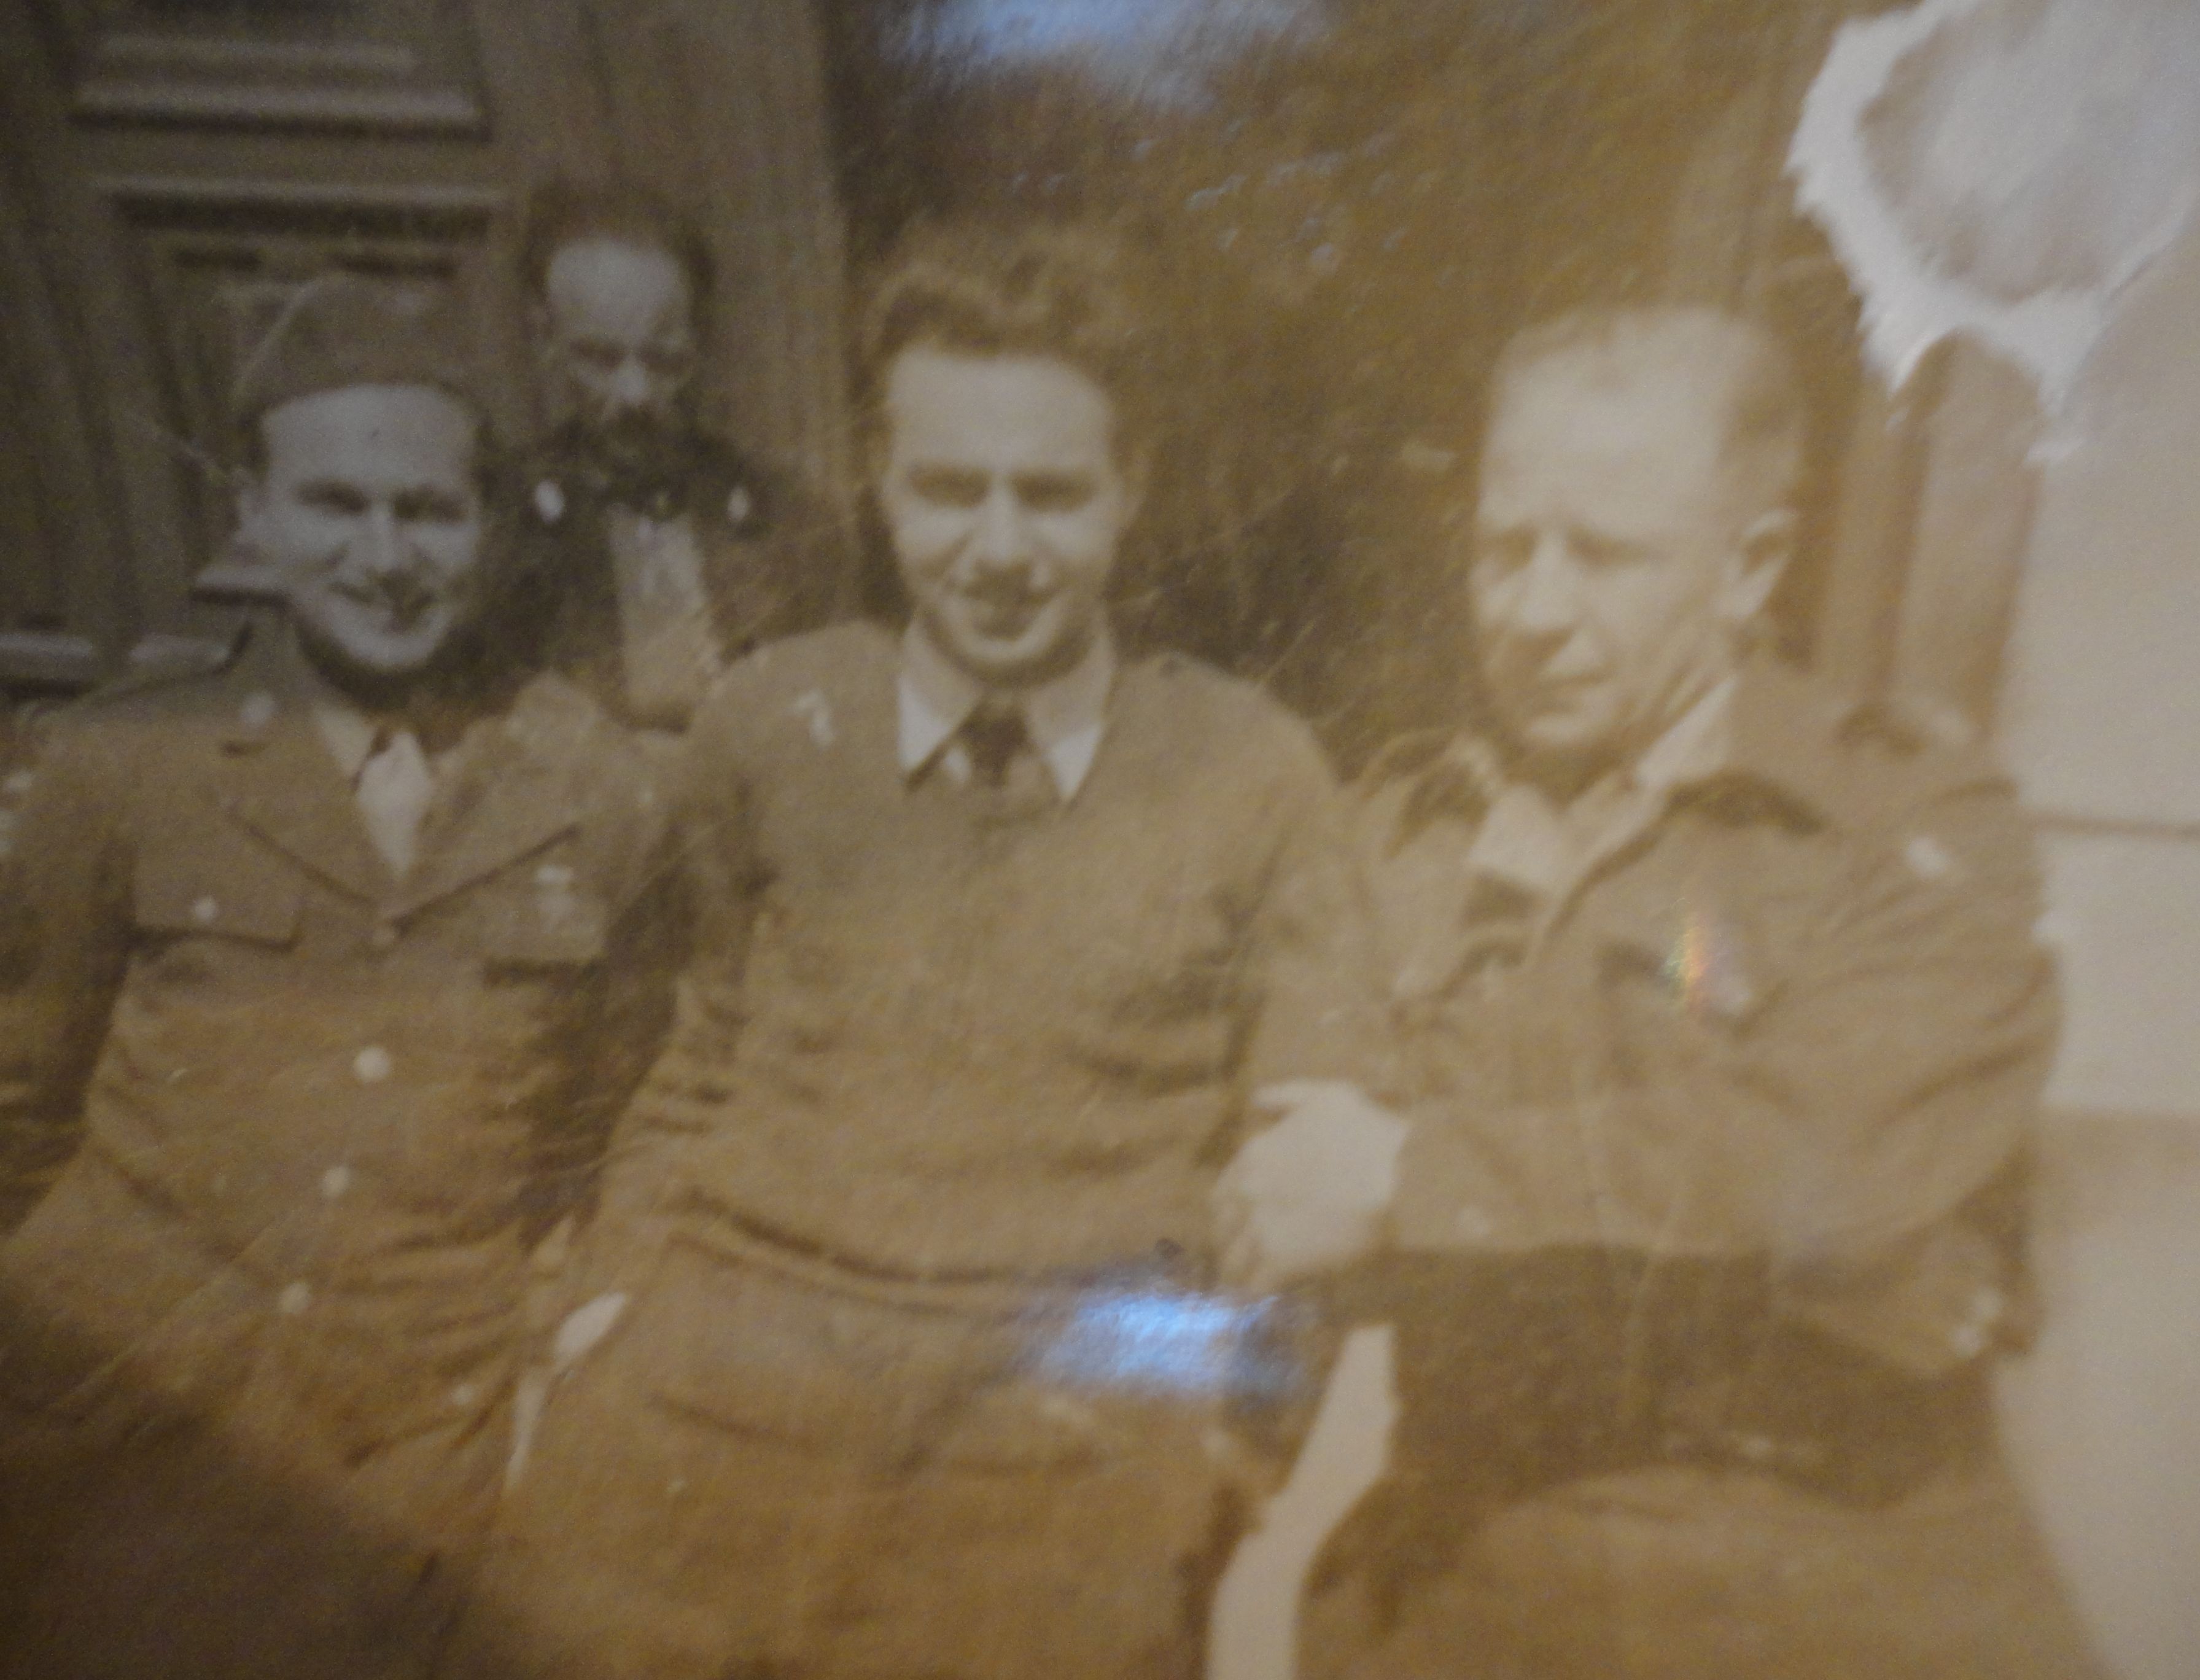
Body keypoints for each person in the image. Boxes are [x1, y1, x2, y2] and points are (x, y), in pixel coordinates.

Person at [446, 220, 1396, 1680]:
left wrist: (1204, 1415)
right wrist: (605, 1308)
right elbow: (693, 1057)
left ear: (1130, 486)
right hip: (724, 1363)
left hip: (1062, 1401)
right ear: (882, 479)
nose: (999, 550)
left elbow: (1308, 1160)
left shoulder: (1253, 766)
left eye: (1053, 493)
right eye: (949, 489)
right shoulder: (770, 719)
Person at [1276, 305, 2107, 1679]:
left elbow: (1826, 1160)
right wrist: (1760, 1257)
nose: (1534, 612)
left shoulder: (1910, 818)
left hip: (1814, 1590)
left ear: (1751, 566)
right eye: (1504, 545)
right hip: (1472, 1582)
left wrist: (1416, 1182)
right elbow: (1291, 1174)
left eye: (1603, 556)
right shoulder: (1403, 832)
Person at [0, 273, 678, 1679]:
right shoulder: (124, 762)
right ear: (251, 510)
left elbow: (608, 1123)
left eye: (428, 510)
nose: (385, 554)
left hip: (414, 1450)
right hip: (114, 1440)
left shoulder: (595, 790)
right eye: (334, 505)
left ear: (488, 524)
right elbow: (20, 1105)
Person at [511, 179, 846, 728]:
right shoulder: (503, 524)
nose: (636, 395)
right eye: (598, 358)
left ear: (702, 337)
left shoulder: (790, 524)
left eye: (665, 359)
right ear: (546, 338)